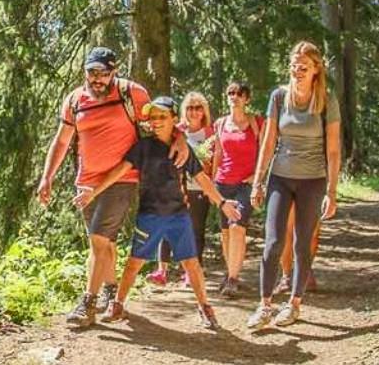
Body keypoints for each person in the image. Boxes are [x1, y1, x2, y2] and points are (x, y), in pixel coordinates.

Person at [35, 47, 183, 327]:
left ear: (114, 72)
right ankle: (111, 293)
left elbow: (159, 122)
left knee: (98, 240)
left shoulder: (132, 94)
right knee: (107, 241)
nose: (98, 79)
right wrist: (47, 177)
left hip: (121, 179)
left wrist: (180, 138)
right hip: (86, 182)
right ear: (85, 72)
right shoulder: (75, 100)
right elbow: (63, 140)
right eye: (93, 73)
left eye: (104, 73)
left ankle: (87, 303)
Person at [76, 97, 241, 331]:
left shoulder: (182, 150)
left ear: (174, 119)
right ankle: (118, 304)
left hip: (178, 216)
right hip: (149, 216)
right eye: (152, 117)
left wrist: (222, 202)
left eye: (162, 117)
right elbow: (120, 170)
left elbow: (202, 179)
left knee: (191, 264)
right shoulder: (143, 147)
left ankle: (205, 307)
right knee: (134, 263)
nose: (156, 122)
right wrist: (94, 192)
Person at [247, 42, 342, 330]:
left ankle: (294, 304)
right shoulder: (279, 97)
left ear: (316, 70)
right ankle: (264, 305)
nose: (297, 72)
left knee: (303, 243)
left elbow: (334, 149)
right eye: (294, 66)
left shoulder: (326, 100)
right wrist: (258, 180)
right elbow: (268, 140)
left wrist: (332, 191)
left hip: (313, 180)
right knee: (273, 241)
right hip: (281, 177)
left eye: (304, 67)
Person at [148, 90, 215, 287]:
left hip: (198, 188)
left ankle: (192, 272)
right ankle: (162, 271)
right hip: (173, 186)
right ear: (184, 111)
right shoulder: (176, 131)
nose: (194, 112)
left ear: (204, 111)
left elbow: (217, 159)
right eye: (190, 108)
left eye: (198, 108)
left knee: (195, 230)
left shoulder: (210, 134)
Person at [208, 81, 263, 298]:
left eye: (239, 93)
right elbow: (218, 155)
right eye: (231, 92)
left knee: (237, 227)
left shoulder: (257, 122)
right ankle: (231, 273)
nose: (234, 96)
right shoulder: (220, 124)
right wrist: (211, 183)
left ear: (247, 99)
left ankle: (232, 279)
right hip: (223, 183)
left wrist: (258, 177)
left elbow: (266, 150)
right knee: (225, 233)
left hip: (245, 184)